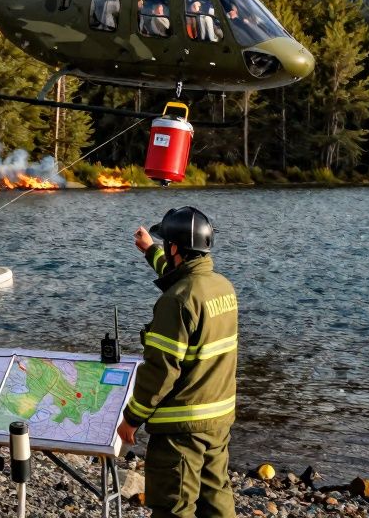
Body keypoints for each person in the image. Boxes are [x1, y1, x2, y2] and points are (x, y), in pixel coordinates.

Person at [117, 207, 238, 518]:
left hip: (181, 430)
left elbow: (161, 371)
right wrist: (150, 250)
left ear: (175, 248)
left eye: (165, 243)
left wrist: (132, 418)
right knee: (216, 500)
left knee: (174, 506)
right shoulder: (222, 287)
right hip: (219, 420)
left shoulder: (177, 301)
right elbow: (181, 276)